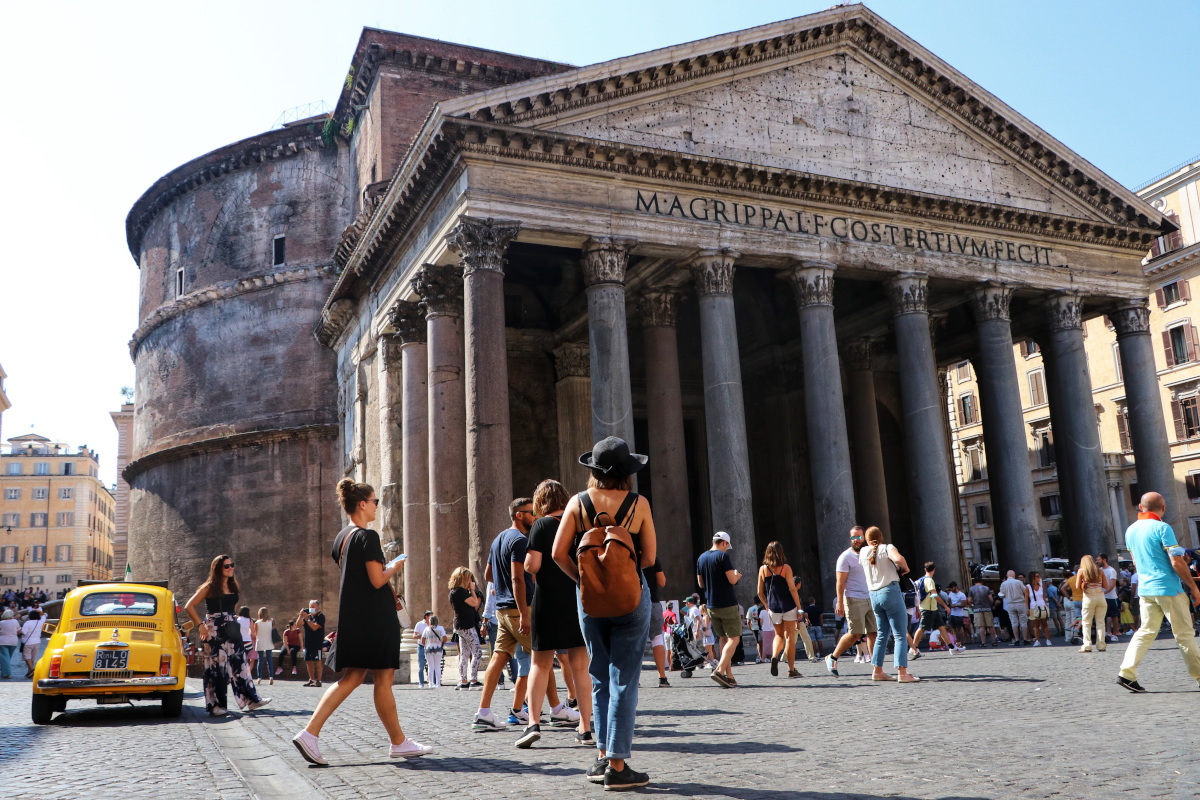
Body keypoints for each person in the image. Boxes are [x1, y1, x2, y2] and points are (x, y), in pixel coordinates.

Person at [292, 478, 432, 764]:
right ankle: (311, 733)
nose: (377, 507)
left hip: (354, 617)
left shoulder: (341, 538)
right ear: (362, 504)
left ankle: (397, 741)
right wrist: (394, 565)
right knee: (380, 679)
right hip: (375, 619)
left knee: (358, 677)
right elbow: (376, 579)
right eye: (375, 502)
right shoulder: (368, 537)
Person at [552, 436, 656, 791]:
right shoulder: (638, 503)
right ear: (627, 472)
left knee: (599, 675)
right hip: (631, 598)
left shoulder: (577, 503)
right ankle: (617, 763)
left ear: (593, 471)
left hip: (590, 599)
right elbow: (651, 558)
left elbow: (557, 553)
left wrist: (582, 580)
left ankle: (601, 755)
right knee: (625, 678)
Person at [521, 478, 589, 749]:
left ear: (540, 501)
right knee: (580, 667)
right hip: (577, 598)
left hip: (547, 600)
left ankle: (533, 724)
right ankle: (585, 728)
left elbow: (532, 565)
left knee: (540, 664)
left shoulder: (541, 524)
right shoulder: (577, 524)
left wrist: (530, 563)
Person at [1118, 492, 1200, 691]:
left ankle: (1126, 673)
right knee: (1184, 634)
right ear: (1163, 508)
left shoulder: (1130, 531)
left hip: (1146, 589)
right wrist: (1194, 587)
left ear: (1140, 506)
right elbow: (1176, 561)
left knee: (1145, 631)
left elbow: (1136, 562)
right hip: (1168, 588)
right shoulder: (1163, 528)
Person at [472, 497, 537, 733]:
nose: (535, 516)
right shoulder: (520, 540)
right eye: (532, 512)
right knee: (543, 656)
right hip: (520, 609)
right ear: (519, 515)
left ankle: (484, 713)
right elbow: (517, 578)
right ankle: (558, 710)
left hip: (501, 609)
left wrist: (503, 590)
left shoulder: (499, 538)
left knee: (499, 657)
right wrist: (524, 613)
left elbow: (489, 574)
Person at [184, 555, 270, 716]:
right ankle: (216, 705)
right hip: (214, 630)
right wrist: (201, 626)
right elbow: (189, 606)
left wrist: (231, 619)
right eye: (227, 566)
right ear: (218, 569)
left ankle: (251, 700)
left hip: (231, 627)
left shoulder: (234, 584)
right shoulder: (209, 587)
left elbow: (233, 606)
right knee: (216, 667)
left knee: (241, 663)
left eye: (232, 565)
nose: (231, 568)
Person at [858, 527, 918, 682]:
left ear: (866, 538)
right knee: (899, 634)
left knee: (881, 634)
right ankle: (902, 673)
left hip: (873, 595)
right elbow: (899, 559)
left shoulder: (863, 552)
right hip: (890, 591)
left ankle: (877, 671)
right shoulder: (887, 548)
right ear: (881, 537)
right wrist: (905, 568)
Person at [824, 527, 877, 677]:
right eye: (853, 538)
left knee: (873, 633)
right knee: (855, 633)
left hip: (870, 597)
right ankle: (832, 657)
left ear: (864, 538)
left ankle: (876, 667)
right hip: (853, 598)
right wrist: (840, 602)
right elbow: (840, 582)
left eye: (859, 537)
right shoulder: (845, 557)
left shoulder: (868, 553)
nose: (856, 540)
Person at [696, 531, 742, 688]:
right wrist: (737, 575)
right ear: (724, 543)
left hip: (711, 605)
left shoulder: (701, 558)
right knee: (734, 639)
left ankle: (729, 676)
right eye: (727, 546)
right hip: (727, 603)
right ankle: (720, 670)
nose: (727, 549)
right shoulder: (723, 557)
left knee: (723, 639)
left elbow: (701, 584)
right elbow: (732, 579)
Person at [757, 541, 804, 678]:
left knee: (778, 635)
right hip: (788, 605)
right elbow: (792, 588)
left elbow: (760, 593)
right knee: (790, 637)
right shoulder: (786, 568)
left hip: (773, 607)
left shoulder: (763, 569)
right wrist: (799, 608)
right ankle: (791, 669)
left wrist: (766, 605)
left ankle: (774, 656)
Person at [910, 563, 963, 656]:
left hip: (931, 608)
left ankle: (952, 647)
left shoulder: (920, 580)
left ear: (925, 570)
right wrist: (945, 606)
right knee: (922, 628)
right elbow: (934, 594)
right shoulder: (929, 580)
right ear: (934, 570)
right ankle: (914, 648)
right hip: (928, 608)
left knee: (942, 627)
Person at [448, 568, 484, 690]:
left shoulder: (454, 591)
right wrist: (473, 590)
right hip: (466, 625)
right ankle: (473, 680)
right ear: (463, 579)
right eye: (469, 578)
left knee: (464, 654)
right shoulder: (460, 592)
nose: (471, 581)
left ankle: (463, 681)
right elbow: (474, 603)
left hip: (459, 625)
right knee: (478, 652)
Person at [642, 556, 670, 688]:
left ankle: (634, 680)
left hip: (633, 603)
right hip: (652, 601)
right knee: (657, 639)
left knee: (633, 642)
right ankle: (662, 677)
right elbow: (662, 582)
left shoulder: (627, 553)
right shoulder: (652, 557)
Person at [1076, 555, 1109, 653]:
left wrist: (1084, 583)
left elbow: (1078, 587)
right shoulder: (1100, 571)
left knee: (1086, 622)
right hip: (1100, 597)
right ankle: (1101, 645)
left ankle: (1087, 645)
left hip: (1088, 597)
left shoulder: (1081, 571)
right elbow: (1106, 586)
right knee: (1100, 622)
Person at [298, 600, 326, 687]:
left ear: (318, 607)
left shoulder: (321, 616)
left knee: (317, 661)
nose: (311, 608)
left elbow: (314, 627)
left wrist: (307, 619)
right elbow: (298, 624)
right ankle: (312, 679)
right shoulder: (308, 615)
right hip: (308, 643)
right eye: (310, 606)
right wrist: (300, 615)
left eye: (313, 607)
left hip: (316, 643)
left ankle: (319, 680)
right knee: (308, 661)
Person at [998, 570, 1029, 646]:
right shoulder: (1018, 582)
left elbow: (1001, 594)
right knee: (1023, 622)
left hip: (1010, 604)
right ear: (1014, 575)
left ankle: (1017, 639)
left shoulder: (1003, 584)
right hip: (1020, 603)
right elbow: (1025, 591)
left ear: (1007, 575)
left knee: (1014, 622)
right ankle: (1025, 639)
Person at [1097, 553, 1121, 643]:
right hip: (1102, 597)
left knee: (1114, 616)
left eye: (1099, 560)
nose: (1097, 561)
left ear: (1104, 560)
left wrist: (1104, 592)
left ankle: (1115, 634)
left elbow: (1112, 585)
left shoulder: (1111, 571)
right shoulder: (1099, 570)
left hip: (1111, 597)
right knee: (1105, 616)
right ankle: (1107, 632)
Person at [420, 615, 447, 688]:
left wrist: (426, 644)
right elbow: (445, 638)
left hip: (429, 648)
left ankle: (431, 683)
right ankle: (438, 683)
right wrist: (441, 643)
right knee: (437, 666)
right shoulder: (440, 628)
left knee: (430, 667)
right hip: (438, 648)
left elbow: (422, 640)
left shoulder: (426, 629)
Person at [968, 577, 997, 646]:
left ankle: (983, 642)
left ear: (974, 582)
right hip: (987, 608)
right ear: (981, 582)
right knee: (990, 626)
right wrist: (990, 605)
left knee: (981, 626)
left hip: (977, 609)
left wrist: (972, 606)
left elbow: (969, 600)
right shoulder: (986, 588)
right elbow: (991, 599)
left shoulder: (971, 589)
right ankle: (994, 641)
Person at [1026, 572, 1052, 646]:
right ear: (1033, 578)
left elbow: (1043, 596)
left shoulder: (1041, 586)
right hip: (1034, 606)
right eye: (1037, 576)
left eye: (1039, 576)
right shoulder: (1028, 587)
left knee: (1045, 624)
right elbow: (1026, 599)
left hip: (1042, 606)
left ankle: (1048, 639)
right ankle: (1037, 640)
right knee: (1036, 625)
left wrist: (1046, 604)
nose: (1039, 577)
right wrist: (1027, 609)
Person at [19, 609, 44, 678]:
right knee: (32, 658)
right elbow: (43, 615)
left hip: (28, 642)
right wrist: (38, 610)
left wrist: (19, 629)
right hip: (37, 641)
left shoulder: (28, 623)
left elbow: (24, 632)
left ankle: (32, 670)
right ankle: (29, 672)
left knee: (27, 657)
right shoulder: (40, 622)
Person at [945, 582, 970, 647]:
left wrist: (956, 605)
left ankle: (961, 641)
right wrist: (950, 604)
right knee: (953, 628)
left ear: (956, 587)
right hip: (952, 613)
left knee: (959, 628)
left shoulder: (961, 595)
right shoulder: (951, 594)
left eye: (952, 588)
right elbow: (949, 601)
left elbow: (964, 604)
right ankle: (955, 640)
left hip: (959, 614)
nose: (951, 589)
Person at [254, 607, 275, 685]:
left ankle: (259, 678)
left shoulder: (257, 622)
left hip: (260, 642)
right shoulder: (271, 621)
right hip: (269, 641)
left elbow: (256, 633)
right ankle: (271, 677)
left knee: (260, 661)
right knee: (269, 660)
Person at [413, 610, 432, 689]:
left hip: (431, 647)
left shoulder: (434, 625)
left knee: (431, 666)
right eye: (431, 616)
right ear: (426, 617)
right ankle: (421, 683)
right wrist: (423, 636)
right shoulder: (419, 624)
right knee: (421, 666)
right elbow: (414, 636)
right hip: (421, 646)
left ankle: (431, 682)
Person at [0, 608, 19, 680]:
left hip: (3, 641)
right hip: (13, 641)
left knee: (5, 657)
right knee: (8, 657)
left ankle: (7, 673)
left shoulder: (1, 623)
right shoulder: (15, 622)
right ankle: (4, 671)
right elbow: (19, 631)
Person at [237, 606, 257, 674]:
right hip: (248, 641)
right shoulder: (249, 620)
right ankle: (245, 673)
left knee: (239, 657)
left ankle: (239, 672)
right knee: (246, 658)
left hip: (239, 640)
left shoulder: (237, 620)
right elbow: (253, 632)